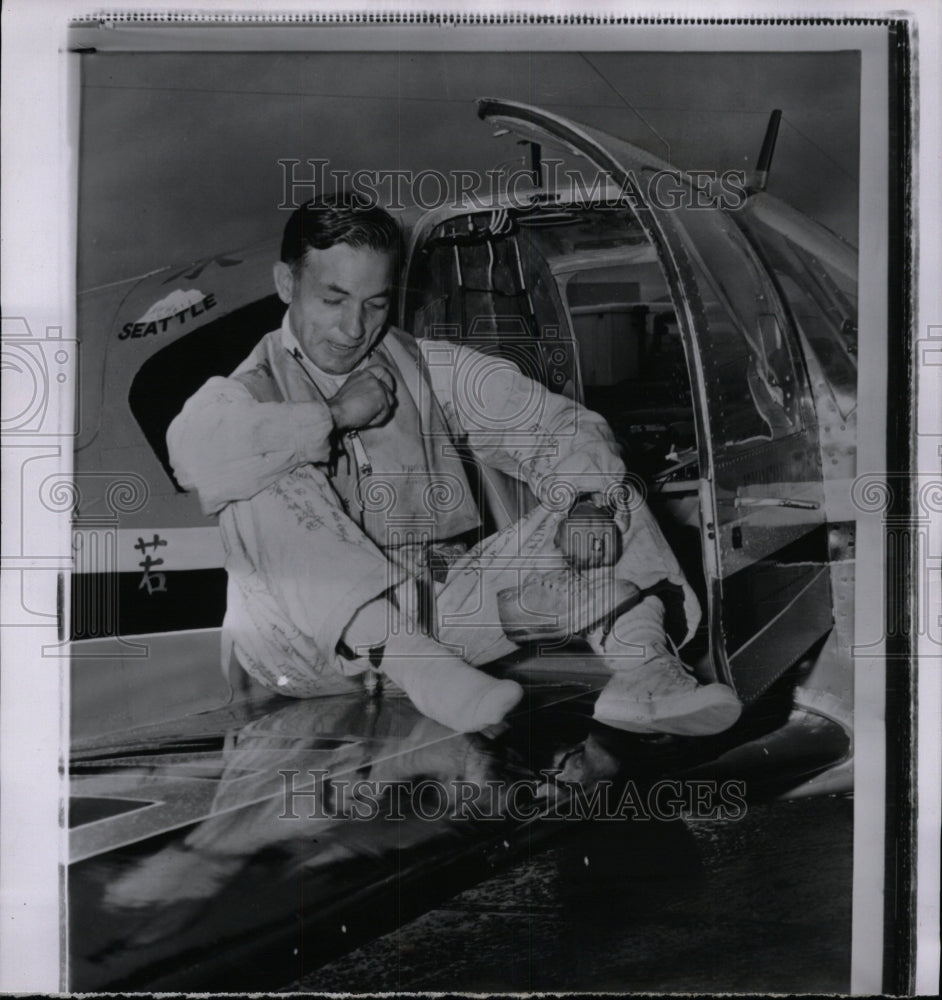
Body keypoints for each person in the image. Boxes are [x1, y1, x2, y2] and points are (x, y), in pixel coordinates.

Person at [167, 193, 741, 736]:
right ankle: (427, 661)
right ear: (286, 283)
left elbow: (562, 427)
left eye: (375, 303)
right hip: (301, 655)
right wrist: (335, 415)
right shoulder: (242, 394)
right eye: (334, 300)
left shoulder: (423, 367)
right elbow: (193, 455)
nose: (353, 329)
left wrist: (586, 504)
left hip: (438, 616)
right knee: (259, 473)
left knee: (601, 481)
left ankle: (644, 672)